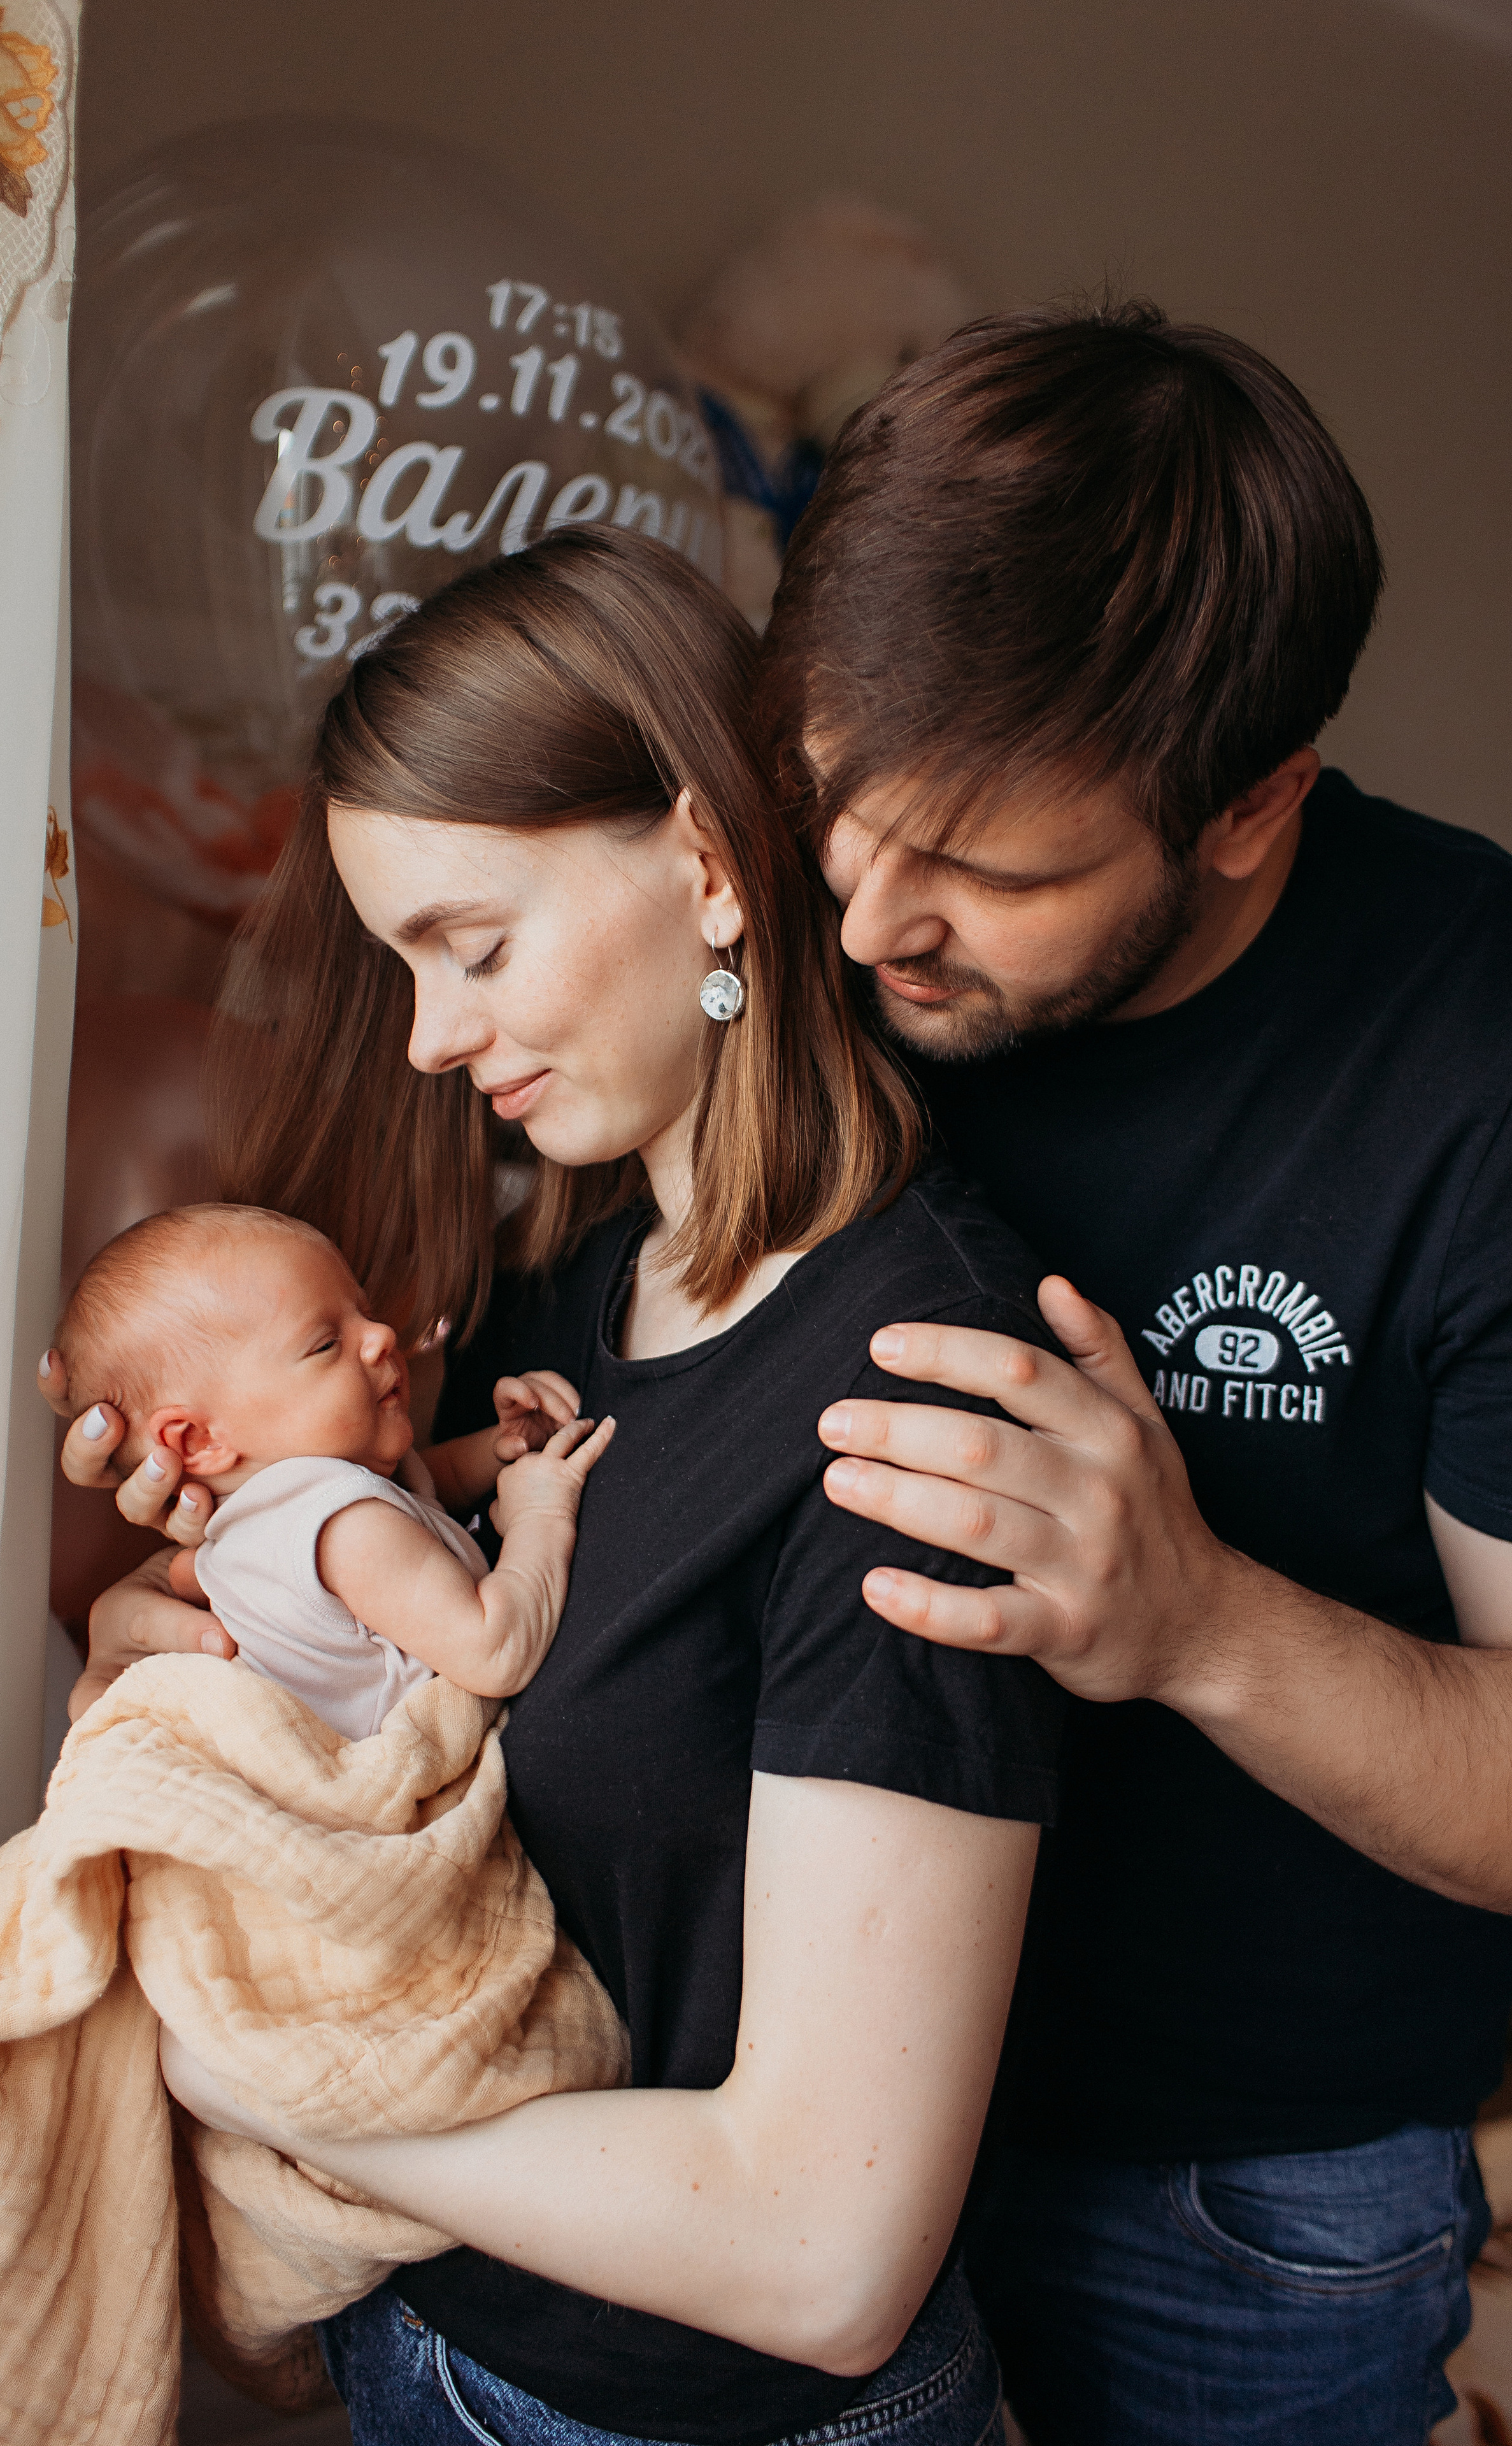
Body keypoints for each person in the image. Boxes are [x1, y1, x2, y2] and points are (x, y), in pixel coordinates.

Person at [42, 527, 1068, 2446]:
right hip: (432, 2346)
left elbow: (823, 2257)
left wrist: (278, 2093)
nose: (432, 1035)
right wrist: (179, 1639)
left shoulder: (913, 1406)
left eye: (476, 946)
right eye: (403, 965)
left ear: (699, 860)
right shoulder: (566, 1311)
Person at [756, 301, 1512, 2444]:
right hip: (753, 2090)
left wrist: (1194, 1620)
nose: (870, 925)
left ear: (1250, 807)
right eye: (838, 810)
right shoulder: (796, 925)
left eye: (988, 872)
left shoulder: (1471, 1063)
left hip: (1227, 2194)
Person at [52, 1201, 610, 1731]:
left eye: (363, 1313)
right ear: (197, 1439)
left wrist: (501, 1446)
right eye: (324, 1344)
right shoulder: (347, 1531)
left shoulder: (290, 1513)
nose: (382, 1336)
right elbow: (494, 1652)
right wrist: (539, 1514)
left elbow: (425, 1489)